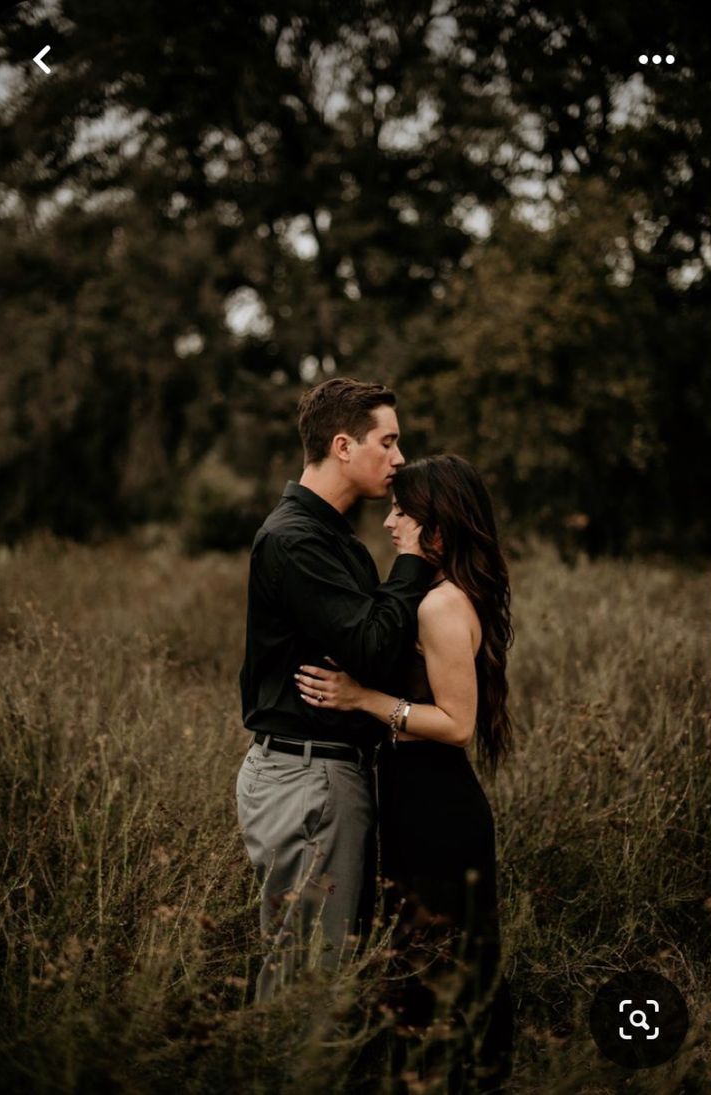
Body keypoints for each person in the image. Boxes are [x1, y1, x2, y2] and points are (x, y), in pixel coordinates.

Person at [294, 454, 515, 1092]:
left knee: (444, 976)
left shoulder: (441, 607)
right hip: (417, 806)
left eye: (404, 512)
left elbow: (457, 724)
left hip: (439, 815)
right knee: (427, 973)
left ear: (438, 528)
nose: (390, 522)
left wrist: (360, 697)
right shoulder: (436, 594)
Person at [236, 378, 436, 1002]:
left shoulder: (331, 536)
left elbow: (371, 650)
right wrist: (415, 560)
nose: (400, 459)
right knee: (308, 989)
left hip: (318, 778)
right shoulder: (297, 540)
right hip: (309, 782)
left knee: (317, 974)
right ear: (344, 445)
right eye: (389, 441)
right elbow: (373, 646)